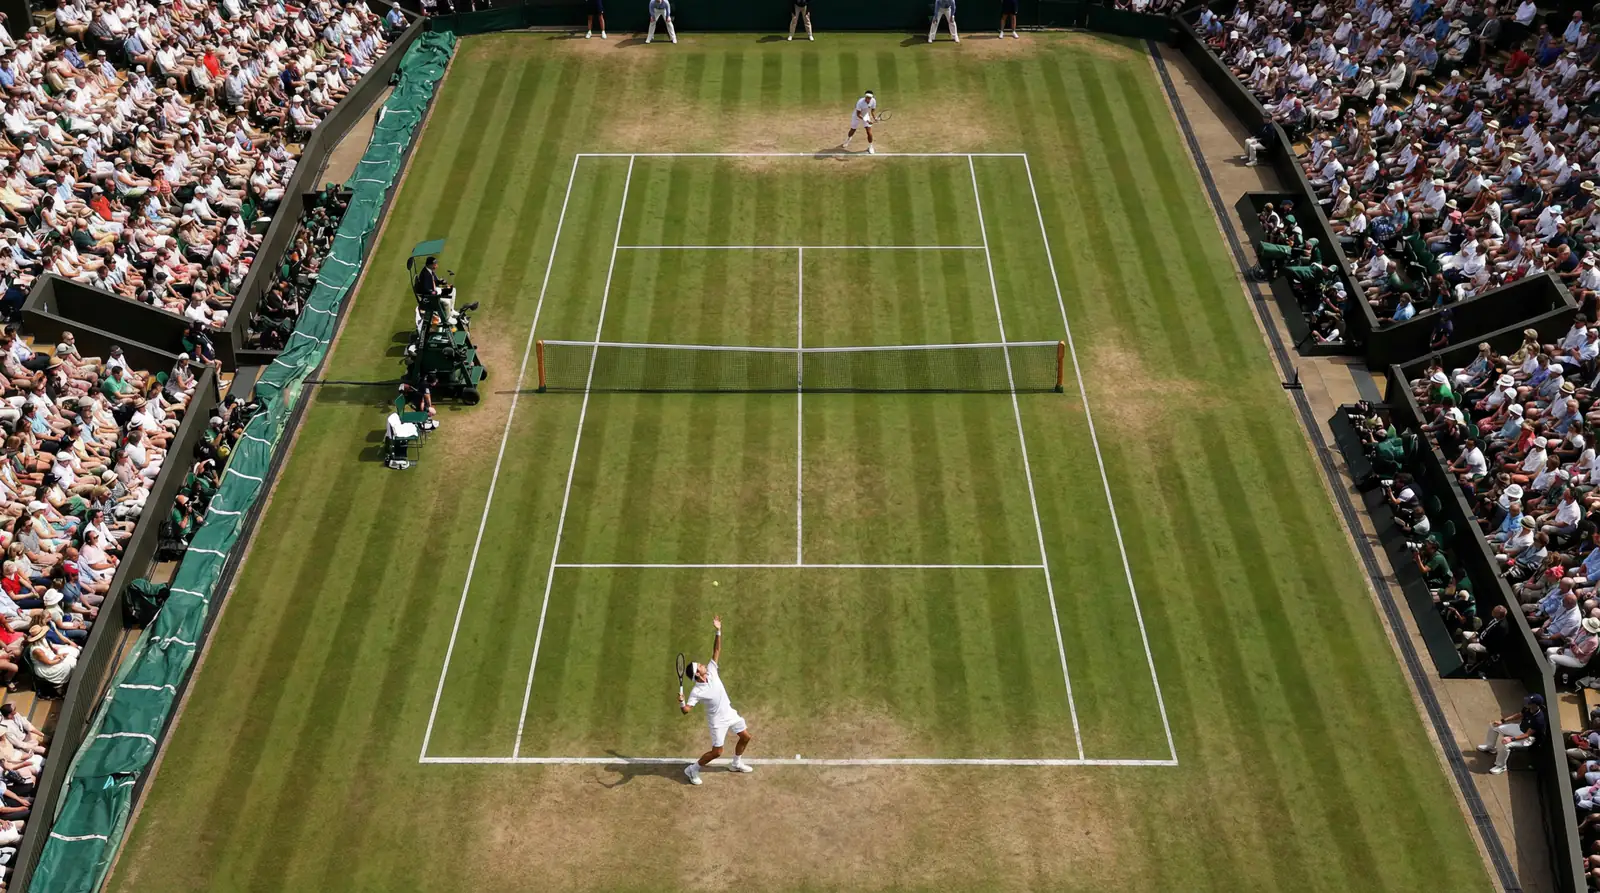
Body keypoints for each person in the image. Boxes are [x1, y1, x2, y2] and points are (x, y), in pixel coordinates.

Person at [678, 614, 754, 784]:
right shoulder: (697, 691)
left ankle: (736, 763)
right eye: (700, 666)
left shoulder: (712, 671)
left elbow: (716, 650)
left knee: (746, 737)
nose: (704, 665)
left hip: (729, 713)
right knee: (717, 752)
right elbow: (686, 711)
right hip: (717, 722)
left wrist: (718, 631)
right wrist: (682, 701)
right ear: (698, 674)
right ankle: (692, 769)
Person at [1478, 693, 1548, 774]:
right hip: (1520, 728)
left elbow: (1526, 735)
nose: (1526, 703)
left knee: (1506, 744)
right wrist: (1502, 721)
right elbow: (1519, 715)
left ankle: (1501, 766)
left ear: (1535, 705)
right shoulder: (1527, 708)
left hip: (1528, 739)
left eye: (1529, 702)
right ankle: (1490, 747)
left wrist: (1511, 739)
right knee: (1494, 726)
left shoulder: (1539, 719)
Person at [843, 90, 877, 155]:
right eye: (867, 97)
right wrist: (867, 121)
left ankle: (870, 146)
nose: (868, 98)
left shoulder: (873, 101)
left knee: (869, 132)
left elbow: (872, 111)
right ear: (865, 96)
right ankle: (848, 139)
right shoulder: (860, 102)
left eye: (869, 97)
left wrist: (874, 118)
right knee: (853, 130)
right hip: (856, 116)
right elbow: (858, 114)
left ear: (871, 97)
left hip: (865, 115)